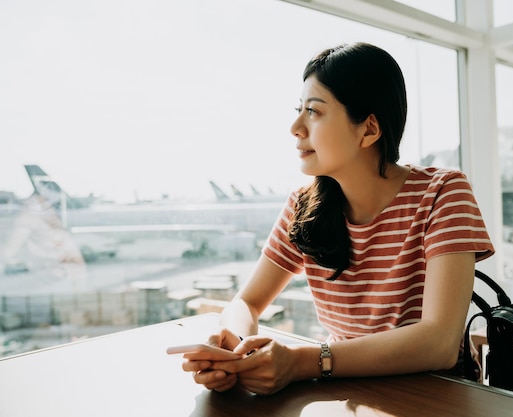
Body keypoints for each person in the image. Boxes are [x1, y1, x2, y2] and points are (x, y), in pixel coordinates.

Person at [180, 42, 495, 395]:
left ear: (369, 130)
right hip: (343, 392)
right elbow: (246, 303)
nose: (295, 127)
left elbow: (438, 342)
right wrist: (236, 347)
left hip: (435, 396)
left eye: (313, 112)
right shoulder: (304, 205)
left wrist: (302, 362)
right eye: (299, 109)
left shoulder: (443, 193)